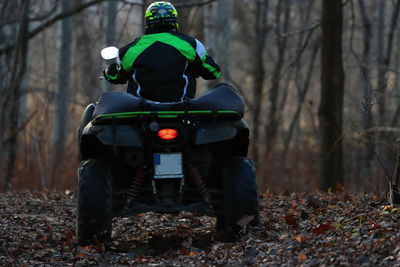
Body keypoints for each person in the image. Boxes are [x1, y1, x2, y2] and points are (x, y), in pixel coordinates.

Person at [103, 1, 221, 102]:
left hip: (141, 112)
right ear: (174, 20)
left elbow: (116, 76)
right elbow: (214, 72)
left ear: (148, 21)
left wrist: (108, 71)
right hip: (182, 109)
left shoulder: (131, 49)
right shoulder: (191, 44)